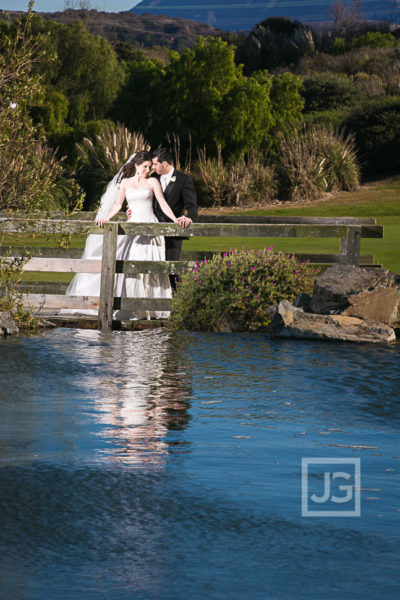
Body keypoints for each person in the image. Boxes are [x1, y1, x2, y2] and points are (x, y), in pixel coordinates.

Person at [62, 151, 184, 320]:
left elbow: (162, 203)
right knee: (131, 265)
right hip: (132, 227)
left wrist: (175, 219)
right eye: (144, 167)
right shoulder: (125, 183)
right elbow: (118, 204)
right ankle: (133, 308)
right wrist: (106, 218)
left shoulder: (153, 182)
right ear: (136, 166)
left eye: (150, 167)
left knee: (150, 266)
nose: (147, 170)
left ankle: (153, 307)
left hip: (150, 226)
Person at [127, 147, 198, 262]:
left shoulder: (184, 180)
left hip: (173, 232)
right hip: (152, 231)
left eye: (155, 164)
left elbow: (192, 205)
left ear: (164, 163)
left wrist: (188, 217)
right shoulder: (152, 179)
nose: (152, 168)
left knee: (171, 269)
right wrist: (133, 210)